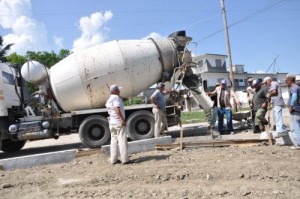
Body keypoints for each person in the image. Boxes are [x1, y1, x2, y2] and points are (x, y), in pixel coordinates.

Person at [105, 84, 130, 164]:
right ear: (115, 91)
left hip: (112, 123)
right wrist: (122, 120)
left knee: (113, 141)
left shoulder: (109, 100)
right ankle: (125, 159)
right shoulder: (116, 98)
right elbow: (117, 109)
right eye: (118, 90)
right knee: (122, 140)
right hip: (118, 123)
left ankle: (113, 159)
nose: (120, 91)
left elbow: (110, 112)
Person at [285, 74, 300, 150]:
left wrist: (291, 107)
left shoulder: (294, 88)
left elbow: (294, 97)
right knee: (298, 127)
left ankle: (298, 144)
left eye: (286, 81)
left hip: (295, 110)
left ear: (290, 81)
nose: (286, 82)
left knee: (294, 128)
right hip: (298, 110)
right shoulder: (298, 87)